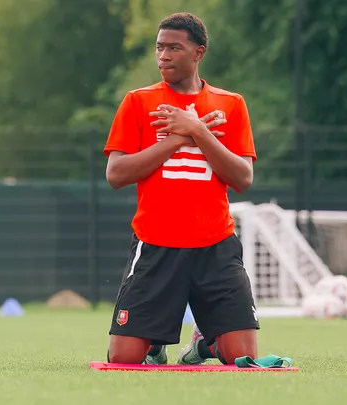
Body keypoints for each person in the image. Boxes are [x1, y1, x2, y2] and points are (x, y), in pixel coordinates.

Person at [103, 12, 259, 366]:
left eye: (174, 48)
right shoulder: (138, 101)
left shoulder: (230, 105)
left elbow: (243, 179)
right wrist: (177, 139)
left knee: (243, 357)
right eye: (159, 47)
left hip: (215, 246)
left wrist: (199, 131)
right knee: (124, 357)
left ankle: (205, 345)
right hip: (156, 243)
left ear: (198, 53)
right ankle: (153, 344)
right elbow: (116, 174)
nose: (164, 56)